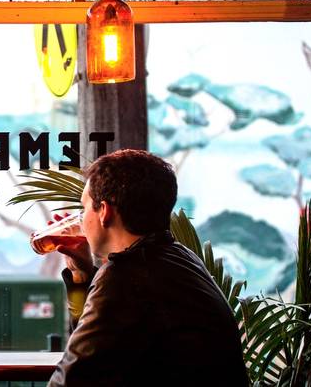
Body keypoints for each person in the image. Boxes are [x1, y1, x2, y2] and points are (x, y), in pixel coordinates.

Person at [48, 149, 248, 386]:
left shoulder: (125, 276)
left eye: (85, 209)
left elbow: (70, 381)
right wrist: (80, 273)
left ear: (104, 212)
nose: (81, 219)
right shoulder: (179, 258)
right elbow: (94, 348)